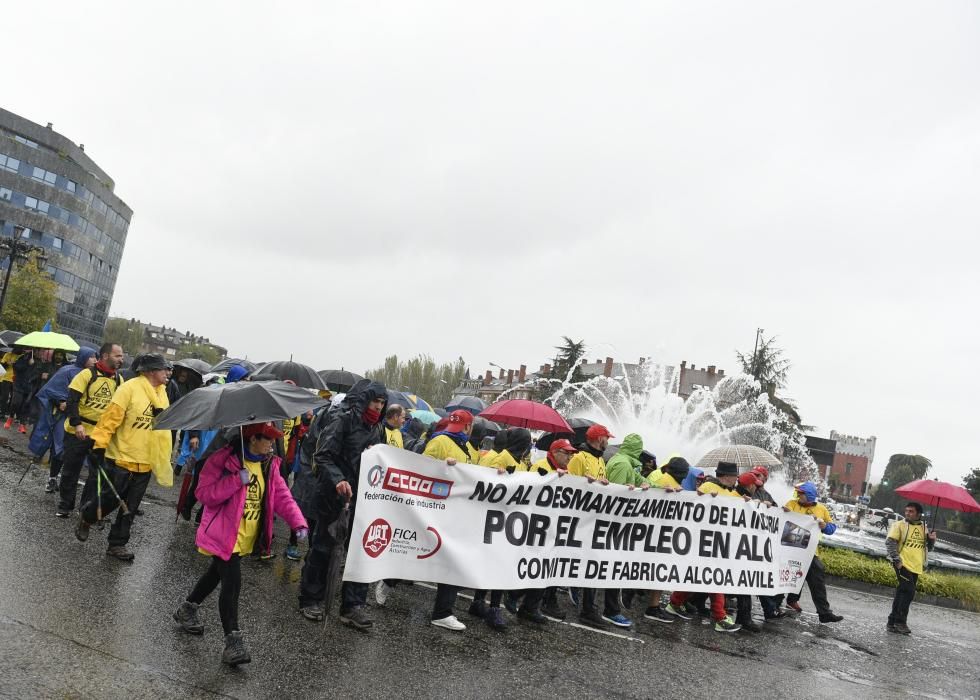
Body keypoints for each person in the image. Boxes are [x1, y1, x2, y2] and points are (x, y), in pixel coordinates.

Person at [174, 422, 308, 666]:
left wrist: (298, 522)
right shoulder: (221, 460)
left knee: (215, 574)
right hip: (223, 534)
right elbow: (204, 494)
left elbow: (281, 496)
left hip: (246, 537)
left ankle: (187, 608)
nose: (271, 443)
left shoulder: (269, 464)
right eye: (267, 438)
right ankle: (233, 643)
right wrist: (235, 480)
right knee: (232, 583)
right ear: (251, 439)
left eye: (272, 439)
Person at [299, 379, 387, 629]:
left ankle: (353, 606)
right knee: (323, 549)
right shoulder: (343, 420)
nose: (378, 407)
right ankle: (311, 598)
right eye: (375, 401)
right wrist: (338, 480)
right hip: (332, 496)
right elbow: (322, 455)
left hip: (364, 499)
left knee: (361, 552)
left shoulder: (377, 428)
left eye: (382, 403)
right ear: (364, 400)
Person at [74, 353, 172, 561]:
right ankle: (88, 517)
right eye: (164, 369)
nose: (168, 373)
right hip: (121, 457)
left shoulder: (163, 393)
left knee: (131, 507)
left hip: (145, 460)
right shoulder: (129, 388)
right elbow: (110, 419)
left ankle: (117, 544)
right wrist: (99, 445)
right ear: (151, 371)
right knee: (110, 499)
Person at [665, 461, 743, 632]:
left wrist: (751, 504)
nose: (736, 479)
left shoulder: (732, 492)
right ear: (725, 476)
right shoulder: (708, 486)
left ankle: (674, 603)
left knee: (697, 576)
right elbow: (693, 504)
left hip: (720, 543)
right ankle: (719, 617)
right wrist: (704, 496)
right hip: (704, 541)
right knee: (716, 579)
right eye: (734, 476)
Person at [57, 343, 125, 518]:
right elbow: (72, 401)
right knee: (71, 470)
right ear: (104, 356)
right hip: (77, 431)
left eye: (121, 356)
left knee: (96, 474)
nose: (121, 359)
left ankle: (85, 509)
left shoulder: (119, 379)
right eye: (117, 356)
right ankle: (65, 504)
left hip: (101, 434)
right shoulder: (86, 375)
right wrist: (77, 424)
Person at [28, 347, 97, 493]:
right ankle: (52, 478)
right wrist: (60, 401)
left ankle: (68, 482)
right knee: (59, 449)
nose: (94, 360)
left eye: (95, 357)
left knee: (77, 452)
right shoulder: (66, 371)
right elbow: (51, 390)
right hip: (63, 417)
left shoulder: (95, 375)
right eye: (91, 357)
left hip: (82, 419)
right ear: (83, 357)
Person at [783, 481, 844, 623]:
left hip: (809, 551)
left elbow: (832, 529)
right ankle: (776, 605)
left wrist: (824, 526)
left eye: (801, 493)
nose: (798, 495)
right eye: (798, 493)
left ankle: (824, 613)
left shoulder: (822, 509)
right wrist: (783, 512)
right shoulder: (791, 504)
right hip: (788, 548)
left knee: (817, 579)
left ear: (809, 495)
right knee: (786, 575)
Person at [886, 501, 935, 634]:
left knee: (902, 593)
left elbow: (927, 549)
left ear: (918, 514)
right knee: (909, 592)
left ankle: (891, 622)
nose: (907, 513)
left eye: (911, 511)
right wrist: (897, 560)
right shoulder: (899, 525)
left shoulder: (923, 527)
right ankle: (900, 622)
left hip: (916, 566)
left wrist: (931, 540)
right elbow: (890, 542)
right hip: (903, 564)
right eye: (906, 510)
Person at [10, 349, 39, 433]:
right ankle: (11, 416)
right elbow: (16, 367)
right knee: (16, 403)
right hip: (19, 385)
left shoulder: (40, 362)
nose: (39, 353)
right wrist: (28, 364)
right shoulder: (23, 358)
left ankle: (22, 424)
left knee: (26, 405)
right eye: (37, 351)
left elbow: (38, 374)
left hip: (30, 387)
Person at [0, 345, 22, 423]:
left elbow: (22, 368)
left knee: (14, 399)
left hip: (16, 380)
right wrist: (7, 363)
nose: (16, 349)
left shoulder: (21, 357)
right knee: (4, 396)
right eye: (15, 347)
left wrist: (15, 364)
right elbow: (2, 366)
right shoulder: (7, 355)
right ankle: (2, 412)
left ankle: (9, 412)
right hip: (6, 378)